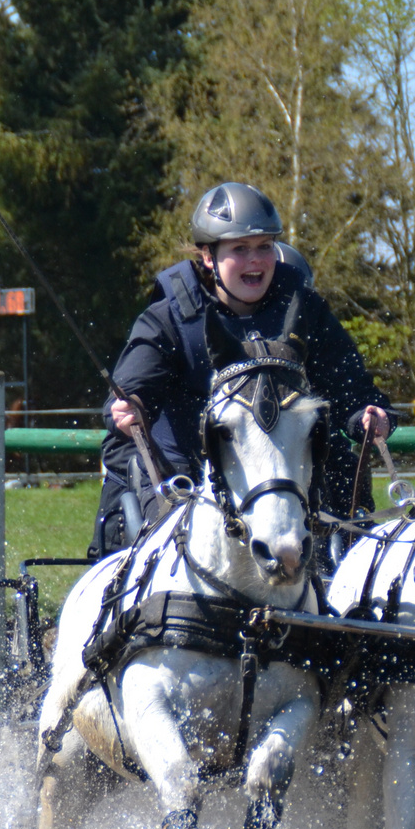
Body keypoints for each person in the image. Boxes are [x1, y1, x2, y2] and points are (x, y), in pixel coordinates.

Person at [90, 183, 393, 561]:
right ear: (208, 256)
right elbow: (134, 384)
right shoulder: (167, 318)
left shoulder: (303, 309)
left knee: (335, 468)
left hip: (282, 471)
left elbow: (347, 382)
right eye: (240, 249)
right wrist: (130, 404)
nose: (255, 261)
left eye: (264, 247)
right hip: (183, 476)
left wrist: (366, 411)